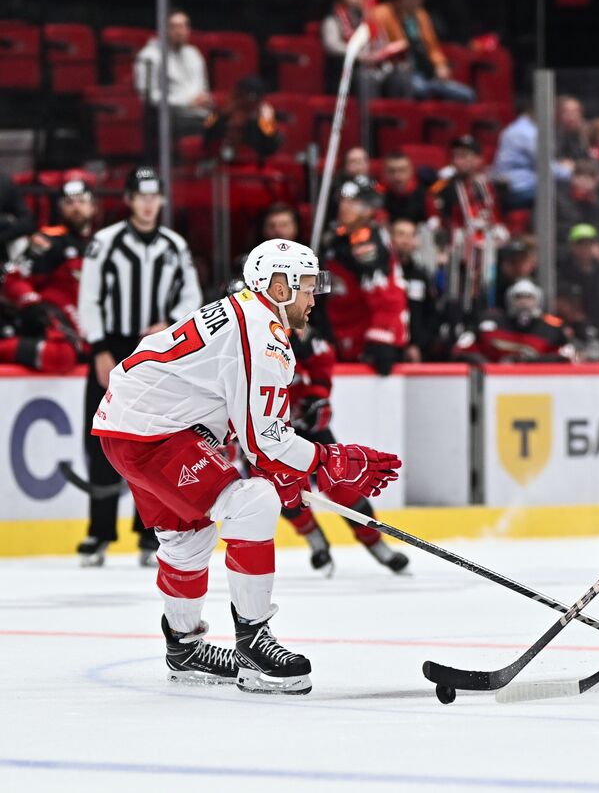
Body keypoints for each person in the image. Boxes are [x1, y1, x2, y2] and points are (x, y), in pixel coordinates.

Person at [92, 239, 400, 692]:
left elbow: (252, 437)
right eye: (307, 287)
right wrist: (330, 459)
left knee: (187, 533)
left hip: (132, 424)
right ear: (278, 286)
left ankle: (184, 646)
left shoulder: (245, 314)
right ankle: (254, 645)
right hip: (154, 434)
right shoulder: (263, 336)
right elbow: (266, 441)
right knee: (253, 501)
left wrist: (288, 471)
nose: (314, 299)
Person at [77, 168, 202, 567]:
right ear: (129, 200)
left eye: (155, 196)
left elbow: (192, 298)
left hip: (155, 350)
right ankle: (99, 533)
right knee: (102, 438)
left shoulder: (174, 245)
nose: (149, 204)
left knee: (152, 439)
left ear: (162, 200)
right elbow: (89, 296)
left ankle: (150, 535)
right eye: (141, 196)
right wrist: (97, 347)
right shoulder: (105, 242)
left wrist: (169, 322)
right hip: (112, 345)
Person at [275, 287, 410, 577]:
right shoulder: (236, 338)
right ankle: (315, 540)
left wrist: (317, 395)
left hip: (302, 421)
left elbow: (323, 356)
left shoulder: (289, 330)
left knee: (341, 481)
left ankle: (376, 545)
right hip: (265, 430)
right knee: (283, 491)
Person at [0, 176, 94, 375]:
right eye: (69, 202)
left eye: (82, 201)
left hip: (90, 328)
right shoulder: (48, 240)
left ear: (93, 206)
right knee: (62, 355)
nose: (76, 207)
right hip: (56, 323)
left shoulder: (101, 244)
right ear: (60, 208)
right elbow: (14, 278)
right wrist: (32, 304)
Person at [322, 175, 408, 374]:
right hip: (339, 332)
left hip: (365, 339)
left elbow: (384, 292)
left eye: (353, 201)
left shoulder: (367, 240)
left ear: (370, 207)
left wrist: (382, 335)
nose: (345, 205)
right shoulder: (336, 239)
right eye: (343, 200)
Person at [371, 0, 476, 104]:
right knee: (420, 89)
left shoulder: (421, 15)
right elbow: (377, 47)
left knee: (467, 95)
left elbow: (432, 46)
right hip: (401, 73)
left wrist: (440, 65)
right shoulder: (381, 14)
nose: (419, 0)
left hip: (427, 73)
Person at [452, 280, 573, 363]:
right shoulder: (489, 322)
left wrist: (532, 363)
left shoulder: (552, 327)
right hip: (493, 382)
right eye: (519, 297)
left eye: (529, 297)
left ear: (538, 300)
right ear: (510, 299)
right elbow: (461, 349)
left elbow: (567, 355)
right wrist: (485, 365)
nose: (524, 302)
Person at [133, 10, 212, 138]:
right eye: (174, 27)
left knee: (224, 123)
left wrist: (204, 99)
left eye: (183, 26)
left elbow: (203, 88)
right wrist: (186, 102)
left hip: (202, 115)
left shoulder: (194, 53)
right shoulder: (148, 57)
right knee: (208, 128)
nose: (179, 32)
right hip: (171, 118)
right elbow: (148, 97)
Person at [202, 76, 281, 164]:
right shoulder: (219, 114)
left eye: (252, 98)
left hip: (251, 167)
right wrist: (220, 113)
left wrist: (267, 122)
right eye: (240, 96)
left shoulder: (263, 121)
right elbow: (205, 132)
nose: (244, 102)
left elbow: (271, 148)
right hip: (220, 166)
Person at [389, 217, 436, 362]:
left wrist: (418, 344)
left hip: (414, 349)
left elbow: (428, 311)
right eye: (401, 234)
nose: (405, 240)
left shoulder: (420, 275)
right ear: (391, 239)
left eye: (410, 235)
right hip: (386, 346)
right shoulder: (382, 272)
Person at [382, 151, 429, 224]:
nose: (397, 176)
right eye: (391, 171)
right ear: (384, 173)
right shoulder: (378, 194)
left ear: (411, 171)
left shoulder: (425, 195)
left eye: (402, 170)